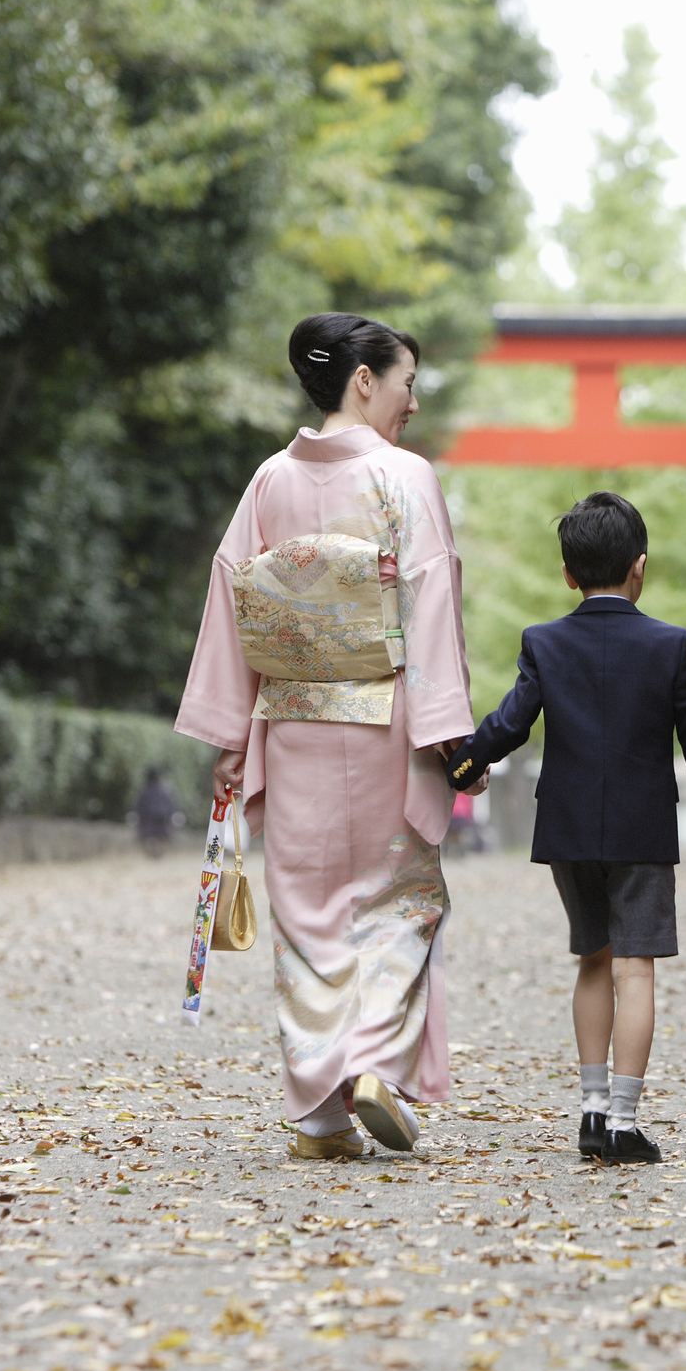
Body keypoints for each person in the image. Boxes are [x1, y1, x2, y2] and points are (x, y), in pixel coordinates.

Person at [176, 312, 474, 1161]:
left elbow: (230, 602)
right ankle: (377, 1060)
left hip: (292, 720)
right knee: (396, 896)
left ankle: (319, 1112)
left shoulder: (268, 480)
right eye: (407, 382)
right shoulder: (403, 478)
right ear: (365, 380)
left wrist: (232, 740)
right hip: (384, 720)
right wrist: (450, 735)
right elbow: (429, 600)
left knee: (307, 909)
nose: (412, 402)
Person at [445, 492, 686, 1165]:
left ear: (568, 574)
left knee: (593, 960)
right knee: (636, 968)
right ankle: (626, 1124)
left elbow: (510, 722)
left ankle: (591, 1110)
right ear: (640, 568)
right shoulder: (670, 645)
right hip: (641, 829)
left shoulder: (543, 643)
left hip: (569, 828)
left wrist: (463, 766)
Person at [133, 767, 179, 857]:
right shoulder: (166, 791)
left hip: (148, 823)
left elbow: (139, 807)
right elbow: (171, 806)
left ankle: (153, 851)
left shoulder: (144, 791)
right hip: (164, 822)